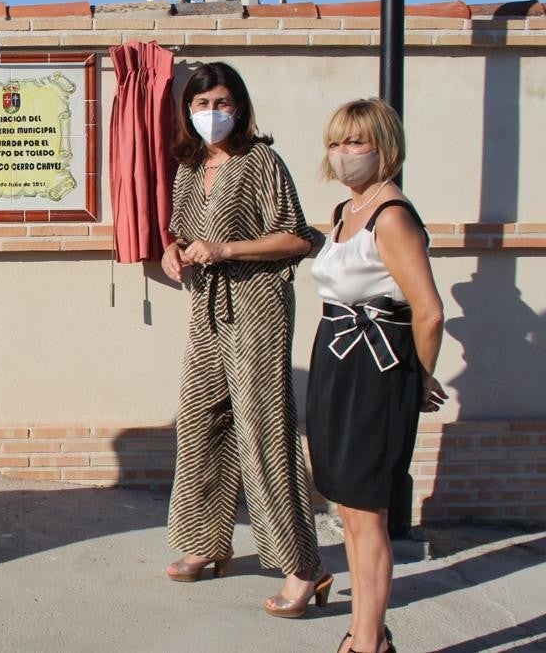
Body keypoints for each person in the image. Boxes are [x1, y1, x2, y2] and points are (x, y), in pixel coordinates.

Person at [160, 62, 328, 617]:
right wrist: (172, 251)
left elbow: (299, 238)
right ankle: (207, 542)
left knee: (263, 430)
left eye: (222, 102)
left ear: (241, 106)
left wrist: (228, 250)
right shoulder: (188, 168)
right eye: (203, 104)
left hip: (257, 309)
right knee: (200, 421)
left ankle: (303, 567)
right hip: (206, 311)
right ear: (189, 111)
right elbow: (182, 232)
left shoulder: (261, 163)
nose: (213, 114)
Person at [307, 98, 446, 653]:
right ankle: (366, 633)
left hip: (377, 366)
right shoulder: (347, 211)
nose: (344, 154)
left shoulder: (391, 216)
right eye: (337, 143)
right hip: (337, 361)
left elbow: (429, 310)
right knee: (349, 509)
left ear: (383, 146)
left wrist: (417, 379)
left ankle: (367, 643)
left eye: (356, 142)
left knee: (368, 517)